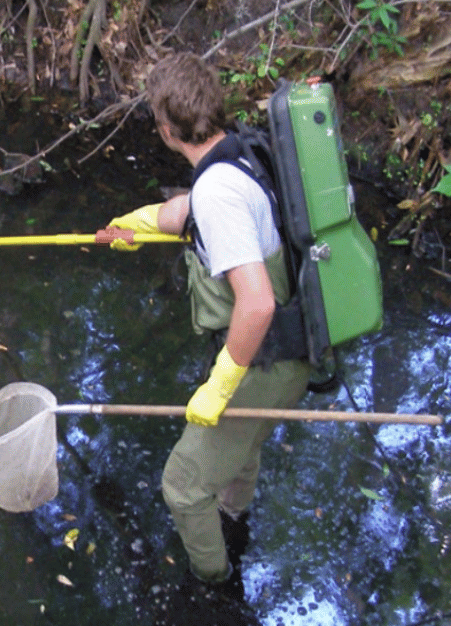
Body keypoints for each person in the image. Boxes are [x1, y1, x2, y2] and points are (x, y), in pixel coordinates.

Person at [106, 53, 312, 593]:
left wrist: (220, 387)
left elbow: (257, 303)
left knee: (181, 486)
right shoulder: (238, 154)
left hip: (263, 361)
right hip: (291, 355)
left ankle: (214, 584)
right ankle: (234, 521)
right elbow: (186, 212)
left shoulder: (217, 193)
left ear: (167, 130)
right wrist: (138, 223)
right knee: (240, 454)